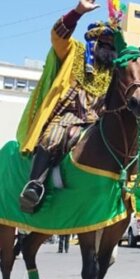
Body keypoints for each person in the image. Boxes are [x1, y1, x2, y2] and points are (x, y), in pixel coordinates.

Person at [17, 0, 118, 214]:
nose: (108, 49)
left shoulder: (112, 71)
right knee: (52, 137)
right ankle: (34, 186)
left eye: (112, 46)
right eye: (104, 43)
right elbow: (58, 36)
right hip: (69, 116)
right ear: (94, 41)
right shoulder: (76, 52)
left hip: (97, 120)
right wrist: (78, 12)